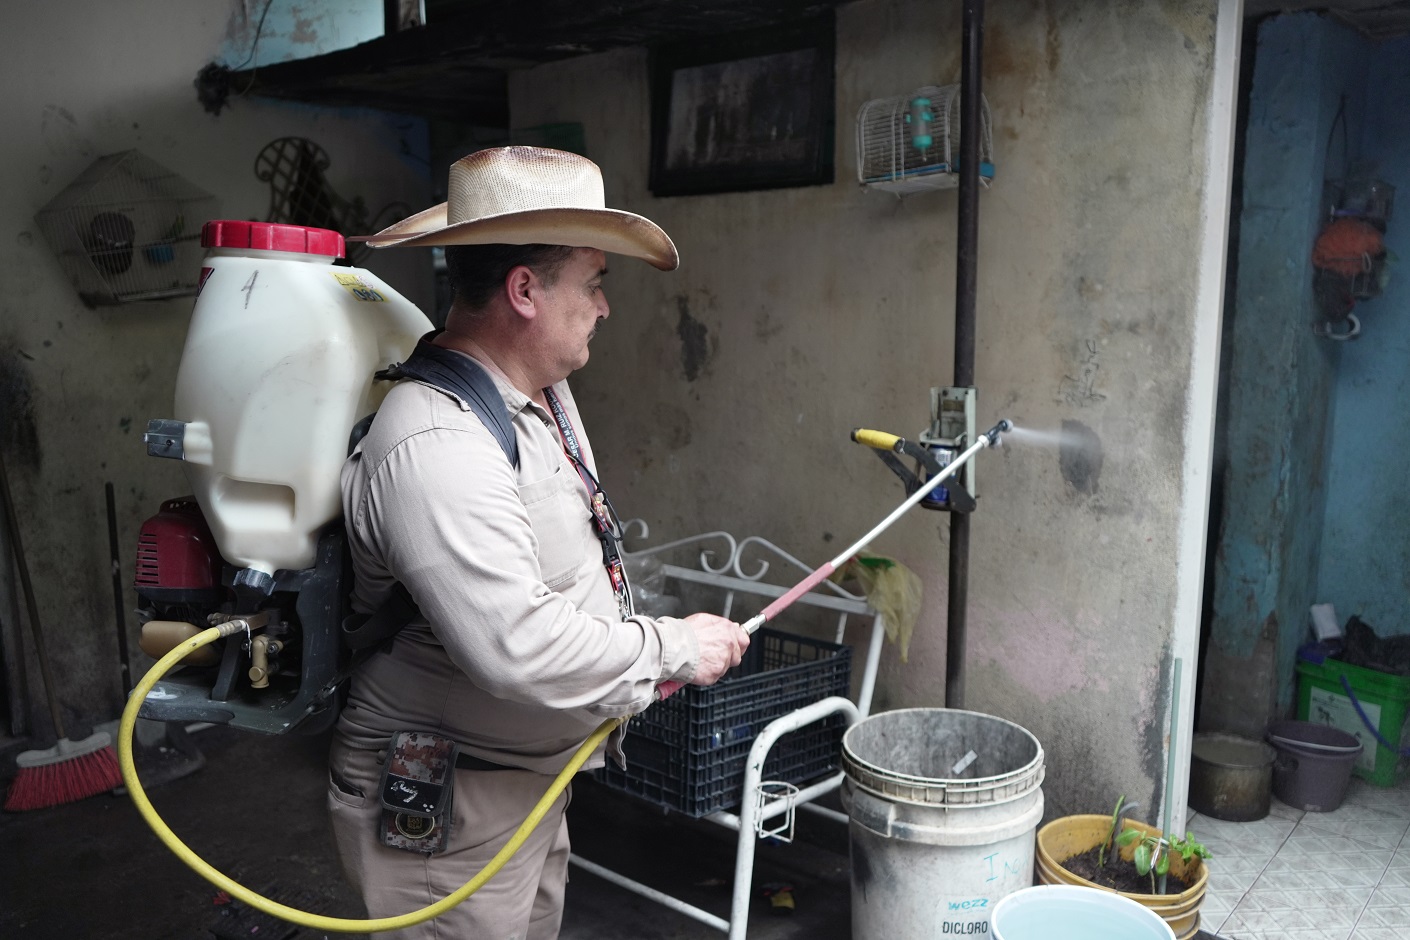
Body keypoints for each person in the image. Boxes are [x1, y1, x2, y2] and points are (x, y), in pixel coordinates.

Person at [327, 146, 750, 939]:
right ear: (524, 291)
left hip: (527, 785)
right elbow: (515, 647)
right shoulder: (436, 443)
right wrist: (672, 649)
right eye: (592, 283)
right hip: (451, 804)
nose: (604, 306)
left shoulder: (538, 393)